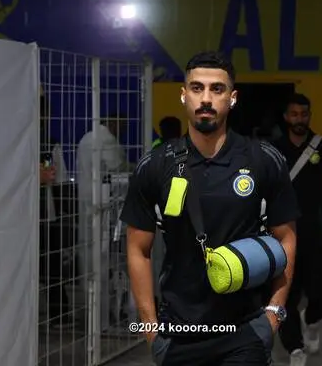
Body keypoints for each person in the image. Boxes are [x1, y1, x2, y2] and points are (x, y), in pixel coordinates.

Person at [120, 51, 299, 366]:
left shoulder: (262, 160)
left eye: (217, 89)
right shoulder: (155, 165)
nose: (206, 98)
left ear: (232, 98)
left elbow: (286, 237)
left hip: (245, 332)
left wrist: (274, 314)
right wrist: (150, 329)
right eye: (197, 88)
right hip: (177, 334)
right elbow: (138, 249)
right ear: (184, 95)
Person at [272, 93, 322, 366]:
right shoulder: (273, 149)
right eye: (294, 114)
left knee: (320, 295)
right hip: (282, 236)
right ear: (285, 117)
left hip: (316, 233)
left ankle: (312, 319)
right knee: (285, 296)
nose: (299, 120)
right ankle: (295, 349)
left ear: (309, 116)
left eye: (304, 114)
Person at [76, 114, 126, 330]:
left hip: (85, 201)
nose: (122, 130)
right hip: (103, 205)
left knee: (88, 257)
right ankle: (103, 320)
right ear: (113, 122)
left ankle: (89, 315)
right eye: (122, 125)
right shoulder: (106, 140)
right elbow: (119, 167)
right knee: (103, 260)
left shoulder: (86, 138)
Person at [39, 90, 73, 329]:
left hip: (24, 217)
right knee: (51, 265)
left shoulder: (11, 143)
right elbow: (60, 182)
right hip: (46, 214)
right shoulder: (50, 144)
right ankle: (58, 313)